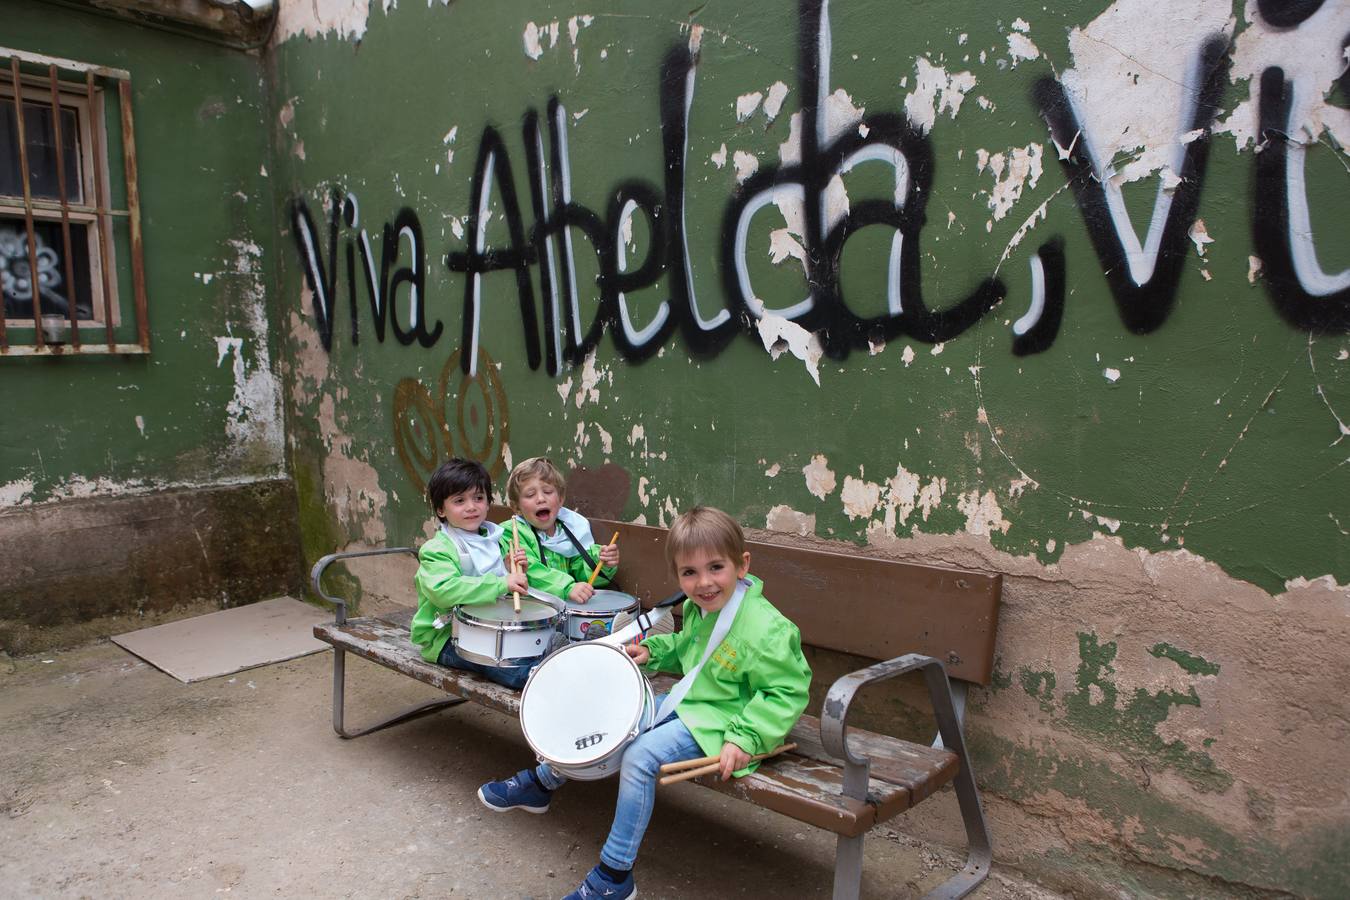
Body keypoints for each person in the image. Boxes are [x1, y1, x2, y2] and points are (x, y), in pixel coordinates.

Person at [477, 506, 812, 900]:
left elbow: (786, 692)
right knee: (614, 718)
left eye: (716, 568)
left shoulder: (766, 628)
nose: (704, 583)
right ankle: (542, 782)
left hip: (726, 720)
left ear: (742, 565)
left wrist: (747, 737)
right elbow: (689, 648)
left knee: (639, 757)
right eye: (689, 573)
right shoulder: (700, 607)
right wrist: (653, 652)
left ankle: (614, 876)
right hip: (693, 701)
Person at [410, 458, 533, 689]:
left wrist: (510, 569)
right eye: (459, 500)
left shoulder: (496, 539)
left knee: (536, 644)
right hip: (448, 636)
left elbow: (500, 583)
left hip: (490, 629)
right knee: (511, 669)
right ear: (440, 509)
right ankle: (538, 675)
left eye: (479, 498)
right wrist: (502, 583)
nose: (471, 506)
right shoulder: (438, 549)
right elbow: (444, 591)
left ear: (488, 503)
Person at [504, 457, 620, 603]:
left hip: (562, 612)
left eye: (547, 491)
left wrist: (602, 563)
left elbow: (584, 576)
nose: (540, 499)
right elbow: (532, 571)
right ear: (516, 507)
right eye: (530, 495)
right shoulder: (511, 533)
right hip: (529, 612)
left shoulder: (570, 529)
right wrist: (567, 588)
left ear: (561, 499)